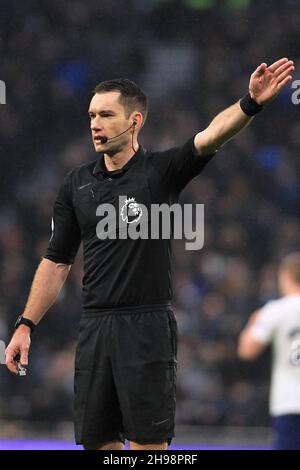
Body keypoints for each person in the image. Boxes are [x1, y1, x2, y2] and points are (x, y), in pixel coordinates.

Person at [5, 58, 294, 451]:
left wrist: (250, 102)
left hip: (147, 327)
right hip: (94, 328)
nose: (95, 123)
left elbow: (209, 137)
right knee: (97, 445)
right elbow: (57, 261)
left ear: (135, 121)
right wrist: (25, 324)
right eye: (92, 114)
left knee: (147, 449)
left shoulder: (161, 171)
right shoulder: (76, 184)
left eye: (106, 114)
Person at [238, 252, 300, 450]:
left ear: (285, 276)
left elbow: (247, 351)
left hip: (290, 401)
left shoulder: (275, 310)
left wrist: (252, 323)